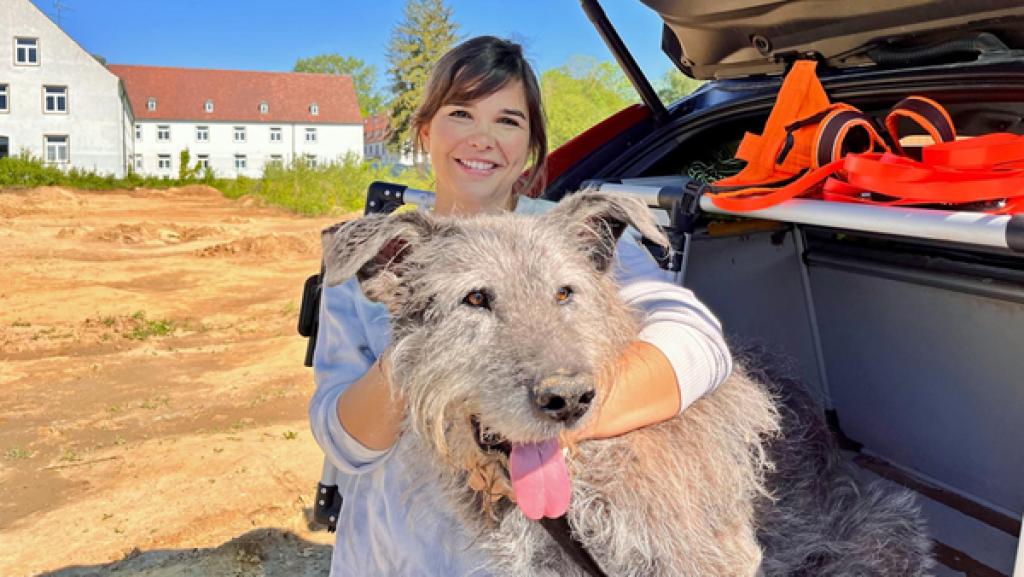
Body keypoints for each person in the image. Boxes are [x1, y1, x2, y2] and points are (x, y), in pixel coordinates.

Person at [309, 35, 733, 577]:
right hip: (394, 552)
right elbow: (344, 446)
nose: (483, 138)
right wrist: (421, 351)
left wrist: (565, 409)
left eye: (508, 121)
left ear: (531, 144)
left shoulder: (568, 235)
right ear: (425, 130)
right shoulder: (388, 254)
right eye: (461, 113)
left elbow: (699, 343)